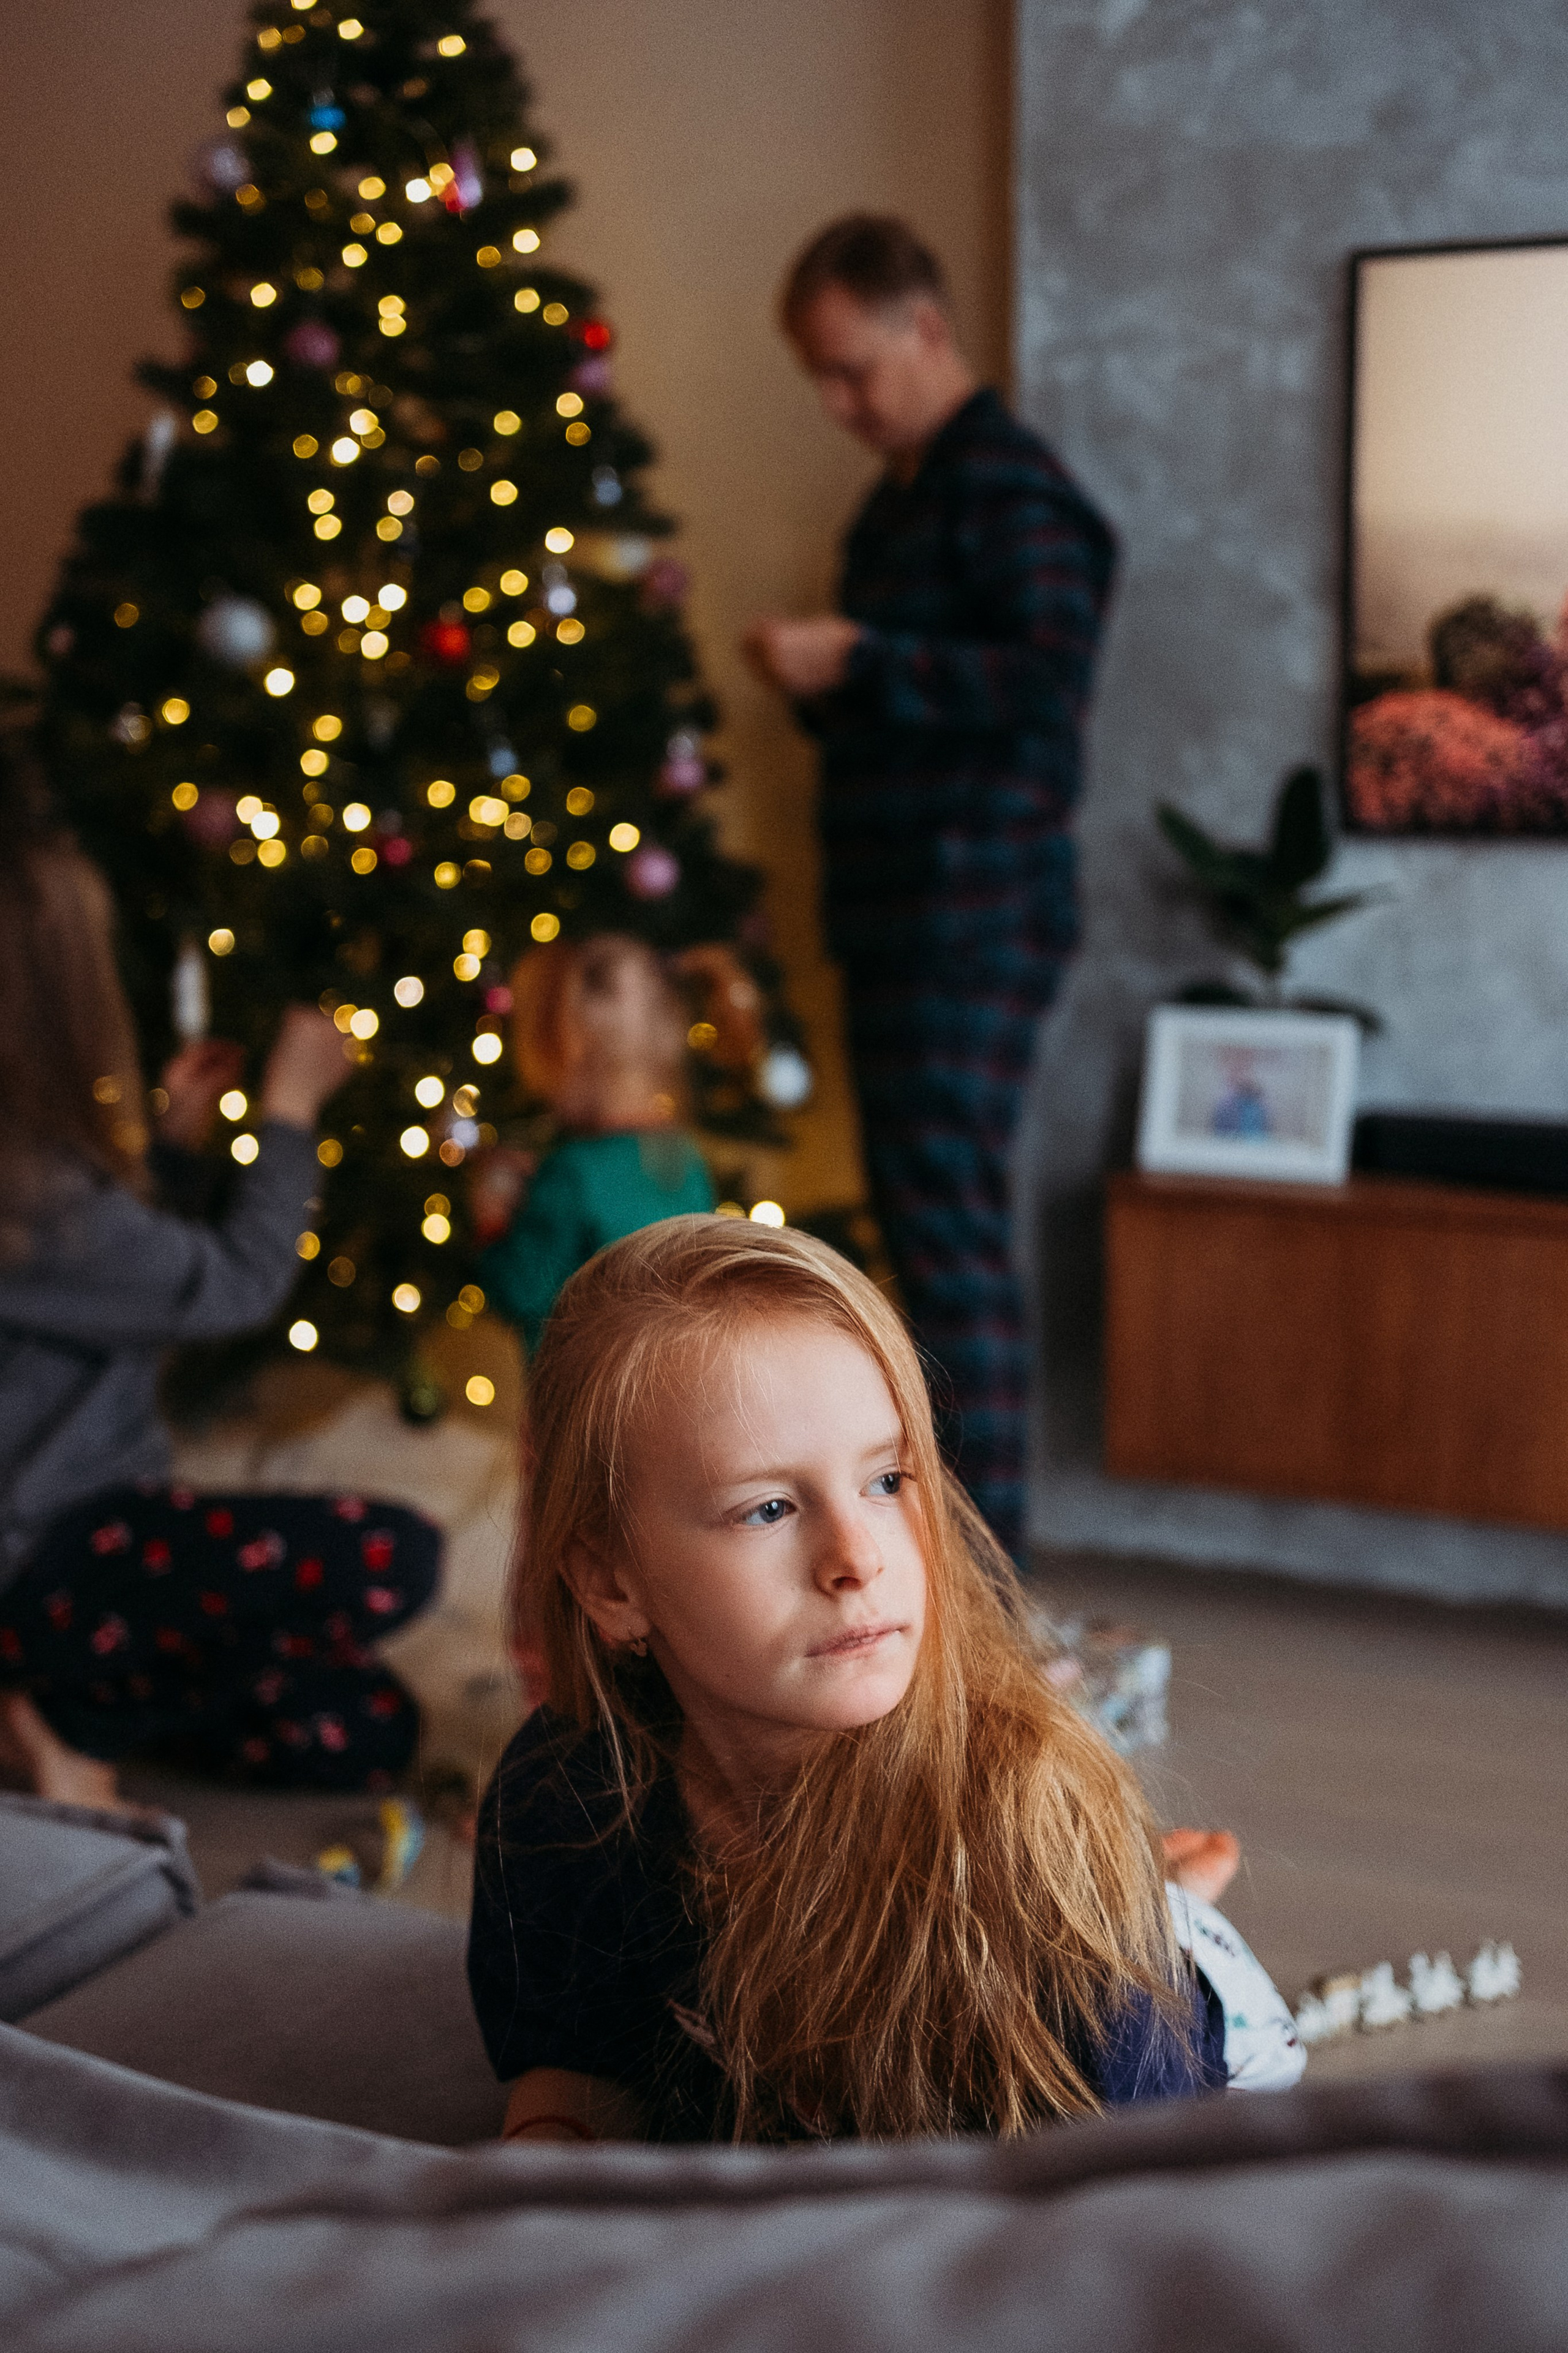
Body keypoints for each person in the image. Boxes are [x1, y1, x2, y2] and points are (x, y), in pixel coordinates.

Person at [465, 1217, 1305, 2147]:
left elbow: (1124, 2200)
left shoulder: (1022, 1855)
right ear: (612, 1584)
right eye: (770, 1508)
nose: (857, 1557)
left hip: (1191, 2055)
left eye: (887, 1478)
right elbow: (581, 2065)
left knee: (1131, 1927)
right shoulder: (564, 1795)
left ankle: (1170, 1902)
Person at [742, 216, 1118, 1565]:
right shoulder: (901, 499)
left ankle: (981, 1582)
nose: (840, 406)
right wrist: (834, 684)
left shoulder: (1006, 488)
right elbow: (921, 707)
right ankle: (963, 1568)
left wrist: (862, 659)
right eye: (820, 382)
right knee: (928, 1238)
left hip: (971, 913)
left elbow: (1042, 687)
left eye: (852, 370)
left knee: (951, 1254)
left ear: (925, 326)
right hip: (908, 912)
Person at [0, 766, 440, 1803]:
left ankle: (73, 1700)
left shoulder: (35, 1177)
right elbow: (234, 1283)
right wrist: (288, 1113)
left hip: (85, 1547)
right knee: (401, 1553)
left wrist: (173, 1152)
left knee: (370, 1734)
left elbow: (118, 1278)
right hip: (52, 1557)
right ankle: (45, 1705)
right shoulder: (32, 1196)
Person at [470, 934, 717, 1354]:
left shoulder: (573, 1171)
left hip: (581, 1396)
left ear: (572, 1056)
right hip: (671, 1377)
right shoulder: (686, 1159)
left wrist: (491, 1221)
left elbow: (523, 1290)